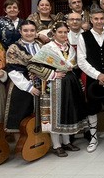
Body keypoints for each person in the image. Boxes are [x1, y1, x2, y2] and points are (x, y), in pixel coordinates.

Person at [27, 22, 87, 157]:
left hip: (70, 84)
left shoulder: (70, 48)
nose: (63, 35)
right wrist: (53, 74)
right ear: (53, 33)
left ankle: (66, 142)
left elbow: (75, 65)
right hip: (54, 85)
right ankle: (56, 145)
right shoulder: (48, 48)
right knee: (55, 115)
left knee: (67, 112)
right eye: (60, 32)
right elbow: (32, 65)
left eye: (65, 32)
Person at [77, 8, 104, 150]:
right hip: (92, 78)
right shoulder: (83, 37)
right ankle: (93, 138)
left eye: (101, 18)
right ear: (91, 20)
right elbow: (81, 61)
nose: (99, 21)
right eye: (96, 19)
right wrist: (97, 75)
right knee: (92, 108)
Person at [4, 20, 42, 135]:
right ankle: (22, 141)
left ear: (36, 32)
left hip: (41, 82)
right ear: (20, 32)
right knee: (21, 112)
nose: (29, 33)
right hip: (21, 84)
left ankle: (39, 137)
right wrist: (29, 87)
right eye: (25, 30)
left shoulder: (41, 46)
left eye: (32, 30)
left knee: (40, 112)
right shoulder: (14, 48)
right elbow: (13, 71)